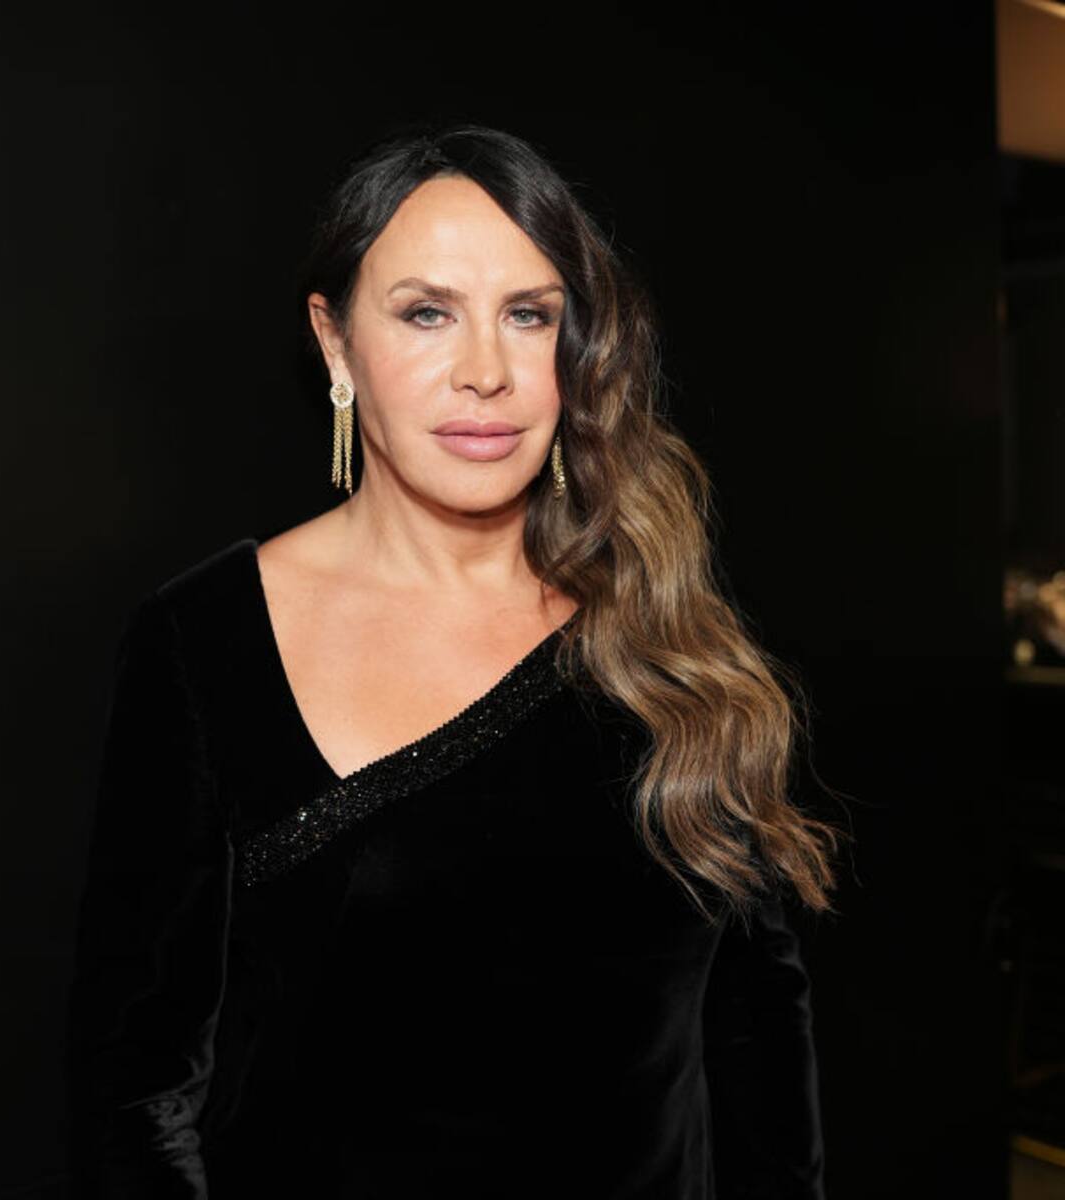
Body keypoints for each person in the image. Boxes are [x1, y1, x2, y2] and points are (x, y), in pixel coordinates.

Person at [66, 121, 844, 1199]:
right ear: (336, 343)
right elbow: (134, 1095)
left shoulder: (660, 625)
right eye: (427, 313)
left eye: (529, 315)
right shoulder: (208, 639)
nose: (487, 372)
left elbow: (758, 1043)